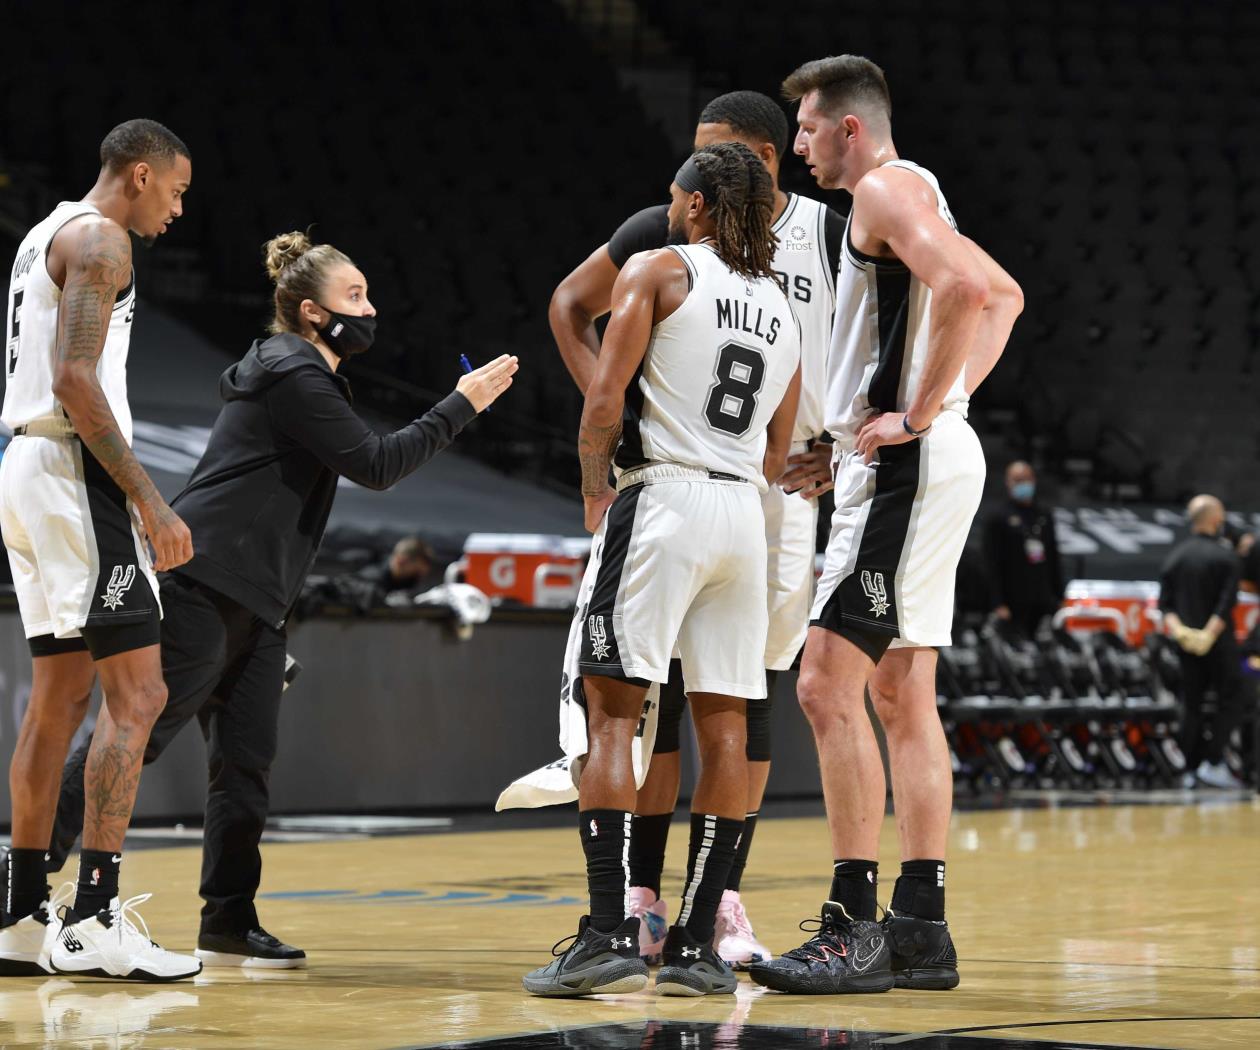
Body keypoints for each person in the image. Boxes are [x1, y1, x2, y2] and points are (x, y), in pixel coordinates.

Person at [5, 231, 518, 969]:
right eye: (355, 297)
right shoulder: (291, 371)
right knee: (129, 740)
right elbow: (376, 465)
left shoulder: (304, 371)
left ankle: (229, 919)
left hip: (260, 602)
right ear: (311, 313)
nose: (370, 309)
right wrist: (460, 405)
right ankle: (25, 881)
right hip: (204, 586)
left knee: (245, 766)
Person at [549, 89, 842, 968]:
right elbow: (778, 451)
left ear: (701, 206)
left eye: (679, 201)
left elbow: (604, 404)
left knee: (612, 714)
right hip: (745, 518)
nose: (669, 212)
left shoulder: (662, 270)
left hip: (663, 498)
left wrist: (597, 491)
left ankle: (605, 932)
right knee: (727, 726)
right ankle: (698, 942)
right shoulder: (782, 313)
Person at [750, 56, 1023, 996]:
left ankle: (851, 928)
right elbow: (1006, 294)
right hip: (920, 455)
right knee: (904, 692)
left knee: (825, 685)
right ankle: (921, 928)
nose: (798, 147)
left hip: (909, 465)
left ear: (850, 130)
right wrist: (921, 409)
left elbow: (964, 291)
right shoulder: (917, 190)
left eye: (808, 129)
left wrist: (913, 416)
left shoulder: (881, 189)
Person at [0, 120, 200, 981]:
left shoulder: (43, 232)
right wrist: (148, 499)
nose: (179, 211)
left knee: (58, 697)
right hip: (75, 473)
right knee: (140, 693)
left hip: (24, 468)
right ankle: (92, 918)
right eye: (177, 192)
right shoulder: (103, 238)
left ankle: (17, 916)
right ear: (140, 175)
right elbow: (77, 379)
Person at [1160, 495, 1245, 790]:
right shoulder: (1225, 557)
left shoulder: (1175, 557)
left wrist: (1182, 632)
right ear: (1213, 520)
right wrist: (1209, 634)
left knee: (1191, 705)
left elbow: (1165, 605)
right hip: (1218, 644)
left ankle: (1190, 768)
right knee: (1233, 701)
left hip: (1185, 644)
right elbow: (1226, 603)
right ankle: (1213, 761)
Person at [984, 461, 1064, 637]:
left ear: (1034, 480)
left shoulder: (1044, 514)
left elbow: (1053, 556)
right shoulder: (998, 518)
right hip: (1012, 599)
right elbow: (991, 563)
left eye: (1026, 479)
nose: (1023, 484)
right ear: (1008, 482)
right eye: (1017, 480)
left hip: (1042, 597)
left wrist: (1059, 595)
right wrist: (997, 603)